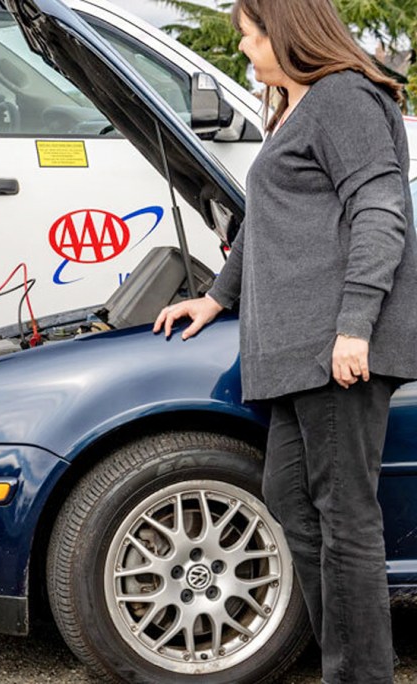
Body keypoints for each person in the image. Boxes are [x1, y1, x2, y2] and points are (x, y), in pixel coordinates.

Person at [153, 0, 417, 681]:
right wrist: (215, 298)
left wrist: (355, 325)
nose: (243, 51)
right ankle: (353, 663)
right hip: (298, 354)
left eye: (247, 37)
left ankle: (360, 676)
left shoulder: (345, 99)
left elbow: (380, 212)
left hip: (335, 348)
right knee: (294, 501)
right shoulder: (296, 111)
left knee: (344, 518)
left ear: (286, 32)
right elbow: (262, 225)